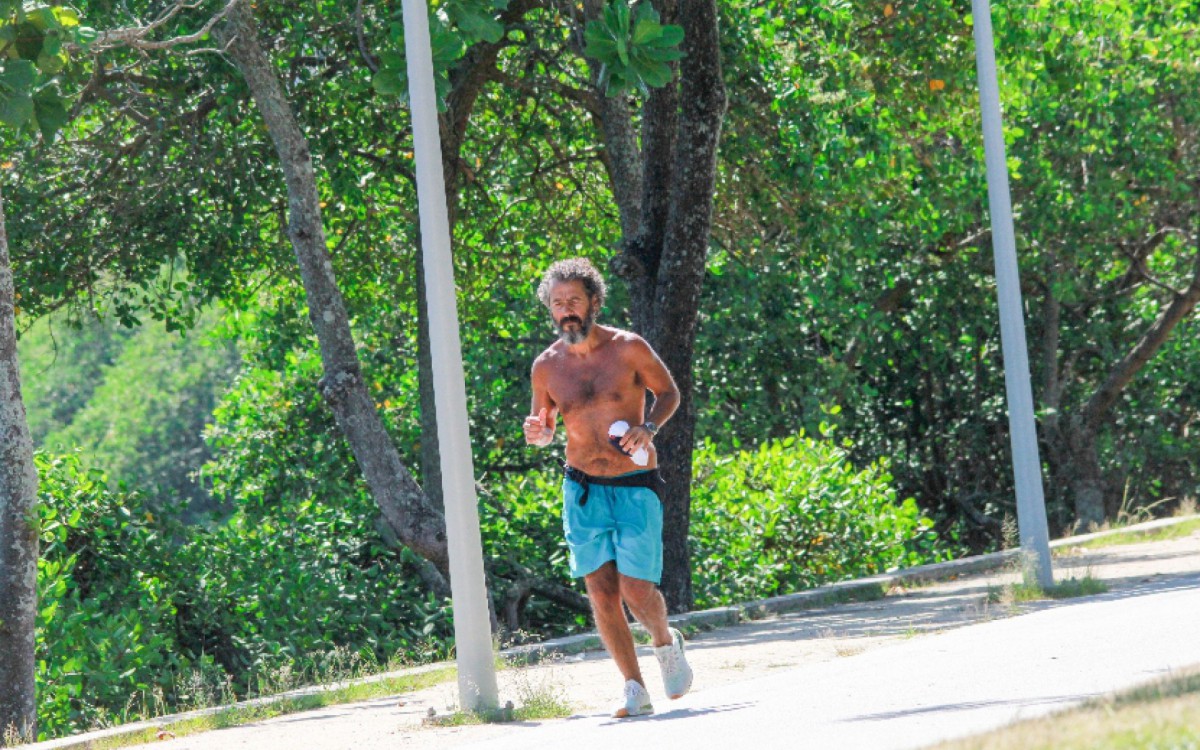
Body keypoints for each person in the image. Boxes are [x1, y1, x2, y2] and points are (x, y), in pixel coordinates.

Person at [523, 257, 693, 718]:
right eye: (558, 304)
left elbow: (670, 393)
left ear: (594, 301)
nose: (566, 311)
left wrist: (649, 428)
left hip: (635, 483)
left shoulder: (628, 348)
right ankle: (634, 688)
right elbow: (545, 422)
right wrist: (538, 433)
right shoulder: (547, 367)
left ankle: (665, 642)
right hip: (582, 488)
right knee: (600, 590)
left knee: (637, 589)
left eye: (574, 301)